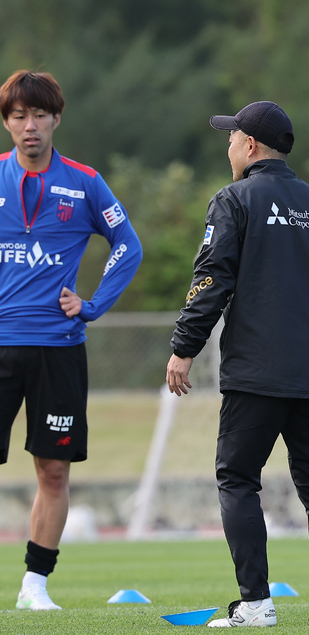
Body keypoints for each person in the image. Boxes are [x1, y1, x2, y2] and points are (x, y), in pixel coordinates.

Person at [166, 101, 309, 627]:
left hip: (255, 374)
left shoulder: (233, 200)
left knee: (237, 479)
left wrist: (184, 347)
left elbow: (210, 280)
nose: (229, 145)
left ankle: (256, 603)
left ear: (250, 145)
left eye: (232, 138)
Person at [0, 70, 142, 611]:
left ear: (56, 118)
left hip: (58, 347)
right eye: (19, 116)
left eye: (39, 115)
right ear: (8, 123)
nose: (30, 126)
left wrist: (93, 304)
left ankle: (35, 586)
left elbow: (127, 245)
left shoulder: (84, 182)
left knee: (53, 470)